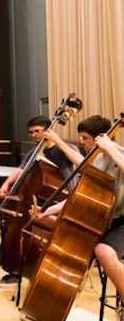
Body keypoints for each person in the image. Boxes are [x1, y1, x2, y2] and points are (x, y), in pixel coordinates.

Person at [30, 115, 124, 320]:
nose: (82, 143)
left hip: (121, 221)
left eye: (84, 138)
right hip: (101, 219)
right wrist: (47, 211)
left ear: (100, 138)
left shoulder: (118, 154)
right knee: (60, 228)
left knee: (104, 251)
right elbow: (81, 197)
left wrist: (109, 147)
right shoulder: (97, 160)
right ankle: (52, 305)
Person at [0, 115, 83, 287]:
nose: (34, 135)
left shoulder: (64, 149)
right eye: (31, 132)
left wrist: (59, 142)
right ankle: (16, 269)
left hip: (63, 200)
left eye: (37, 131)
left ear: (48, 131)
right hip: (40, 200)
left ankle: (40, 271)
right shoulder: (34, 151)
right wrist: (6, 184)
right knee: (13, 225)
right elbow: (22, 169)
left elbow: (79, 166)